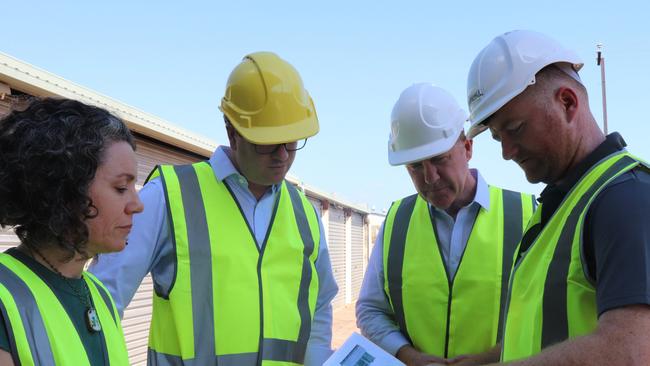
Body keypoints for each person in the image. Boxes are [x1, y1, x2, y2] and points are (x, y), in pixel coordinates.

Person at [90, 52, 338, 366]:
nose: (283, 156)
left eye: (291, 142)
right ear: (231, 130)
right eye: (268, 143)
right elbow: (101, 301)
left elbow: (319, 307)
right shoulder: (167, 196)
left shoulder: (305, 214)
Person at [463, 30, 650, 365]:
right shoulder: (562, 205)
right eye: (496, 138)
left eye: (516, 128)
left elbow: (632, 351)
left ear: (567, 102)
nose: (506, 152)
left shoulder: (624, 198)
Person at [356, 83, 535, 366]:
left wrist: (491, 358)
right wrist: (409, 356)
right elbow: (371, 309)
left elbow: (543, 314)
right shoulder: (397, 221)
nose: (430, 177)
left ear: (467, 148)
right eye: (415, 166)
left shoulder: (527, 215)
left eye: (439, 159)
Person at [0, 98, 143, 365]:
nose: (137, 205)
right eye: (122, 188)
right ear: (64, 189)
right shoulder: (4, 296)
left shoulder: (99, 293)